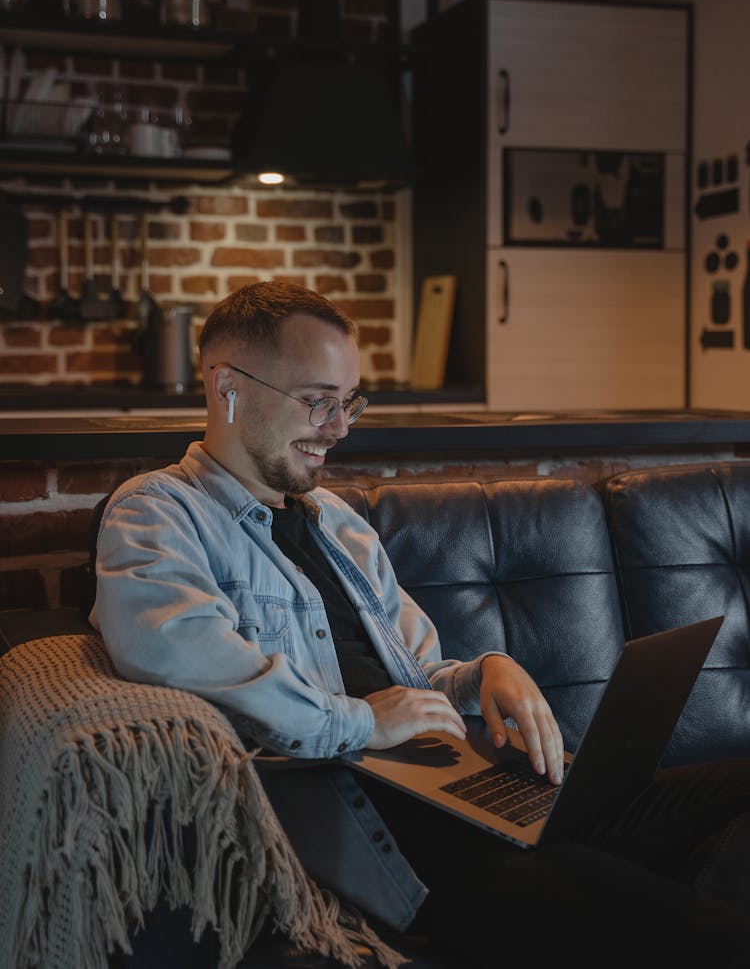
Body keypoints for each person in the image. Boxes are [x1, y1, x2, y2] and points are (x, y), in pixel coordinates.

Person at [93, 281, 750, 969]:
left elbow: (416, 674)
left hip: (469, 791)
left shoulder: (339, 523)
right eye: (318, 400)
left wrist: (478, 674)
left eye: (350, 402)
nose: (340, 427)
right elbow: (171, 648)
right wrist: (359, 723)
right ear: (228, 385)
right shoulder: (159, 512)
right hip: (399, 842)